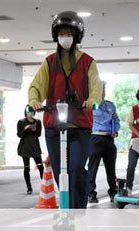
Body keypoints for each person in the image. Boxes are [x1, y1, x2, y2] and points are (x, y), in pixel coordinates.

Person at [28, 11, 102, 208]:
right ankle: (66, 208)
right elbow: (37, 86)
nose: (65, 37)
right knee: (60, 171)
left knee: (76, 168)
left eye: (69, 33)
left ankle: (78, 214)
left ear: (77, 36)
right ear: (55, 35)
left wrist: (92, 99)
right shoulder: (50, 62)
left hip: (79, 127)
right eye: (62, 33)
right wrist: (35, 100)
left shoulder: (87, 62)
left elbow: (96, 87)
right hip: (54, 126)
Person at [87, 82, 120, 203]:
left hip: (109, 139)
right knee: (92, 168)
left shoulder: (110, 105)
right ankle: (91, 193)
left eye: (103, 90)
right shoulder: (90, 105)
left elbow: (116, 119)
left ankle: (113, 192)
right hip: (95, 138)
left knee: (111, 169)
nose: (102, 92)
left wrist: (115, 131)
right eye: (99, 89)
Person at [17, 105, 44, 194]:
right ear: (25, 112)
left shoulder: (38, 122)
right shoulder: (21, 122)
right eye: (28, 111)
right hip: (25, 147)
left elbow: (38, 134)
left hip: (35, 146)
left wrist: (34, 129)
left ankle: (45, 185)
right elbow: (19, 135)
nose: (30, 113)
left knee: (40, 166)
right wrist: (25, 129)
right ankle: (29, 187)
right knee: (26, 168)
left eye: (32, 111)